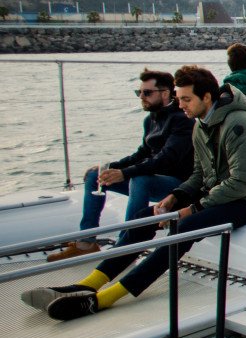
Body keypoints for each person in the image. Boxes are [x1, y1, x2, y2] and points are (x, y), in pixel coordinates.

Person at [25, 67, 246, 321]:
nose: (180, 104)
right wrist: (176, 196)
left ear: (207, 97)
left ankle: (107, 297)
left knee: (188, 225)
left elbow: (241, 183)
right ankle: (89, 284)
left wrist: (191, 209)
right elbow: (199, 174)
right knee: (144, 216)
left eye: (185, 99)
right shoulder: (200, 125)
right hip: (225, 192)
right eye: (178, 98)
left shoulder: (240, 124)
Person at [46, 69, 194, 262]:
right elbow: (142, 153)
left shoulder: (182, 120)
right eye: (139, 93)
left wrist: (124, 173)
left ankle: (126, 246)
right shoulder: (151, 120)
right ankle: (86, 243)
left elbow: (166, 159)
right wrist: (110, 167)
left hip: (178, 185)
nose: (141, 97)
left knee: (140, 179)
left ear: (165, 93)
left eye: (147, 93)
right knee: (94, 176)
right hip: (153, 179)